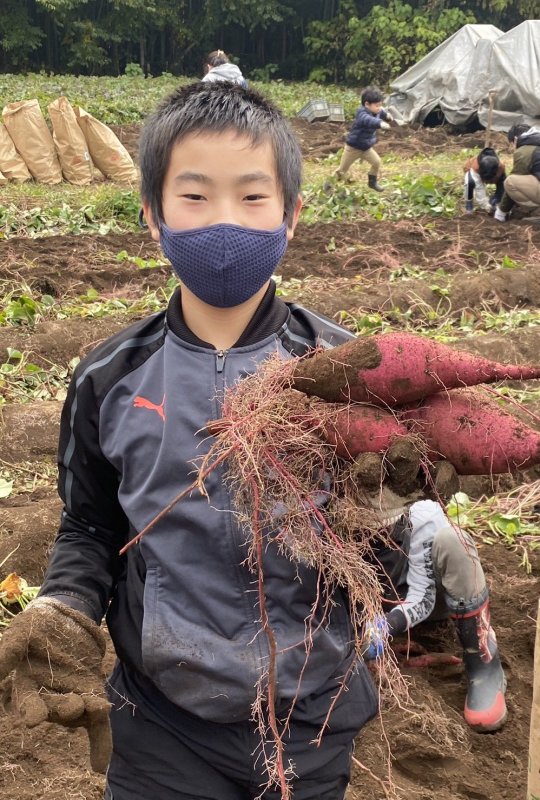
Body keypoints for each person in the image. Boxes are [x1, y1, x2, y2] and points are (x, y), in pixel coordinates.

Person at [0, 82, 506, 800]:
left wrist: (392, 514)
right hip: (161, 722)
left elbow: (376, 565)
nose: (224, 221)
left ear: (291, 215)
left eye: (252, 196)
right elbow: (90, 526)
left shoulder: (347, 373)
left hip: (312, 718)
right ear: (152, 214)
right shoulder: (109, 378)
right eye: (195, 196)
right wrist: (63, 606)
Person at [364, 494, 507, 734]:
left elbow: (423, 597)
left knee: (453, 541)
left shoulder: (421, 515)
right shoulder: (328, 517)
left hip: (425, 597)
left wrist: (386, 626)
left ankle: (483, 662)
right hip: (375, 608)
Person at [334, 86, 392, 192]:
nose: (379, 108)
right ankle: (328, 185)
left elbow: (381, 113)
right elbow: (368, 120)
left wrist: (387, 116)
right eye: (377, 105)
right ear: (366, 104)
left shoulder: (377, 110)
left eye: (380, 105)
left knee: (377, 162)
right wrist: (380, 123)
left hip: (366, 147)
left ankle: (372, 182)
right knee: (342, 171)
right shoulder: (362, 114)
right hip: (353, 148)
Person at [463, 147, 506, 214]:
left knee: (503, 183)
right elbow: (479, 189)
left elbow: (502, 186)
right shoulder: (475, 167)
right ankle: (469, 204)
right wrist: (486, 205)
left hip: (494, 176)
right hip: (472, 174)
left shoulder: (500, 167)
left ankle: (496, 200)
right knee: (469, 182)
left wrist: (497, 199)